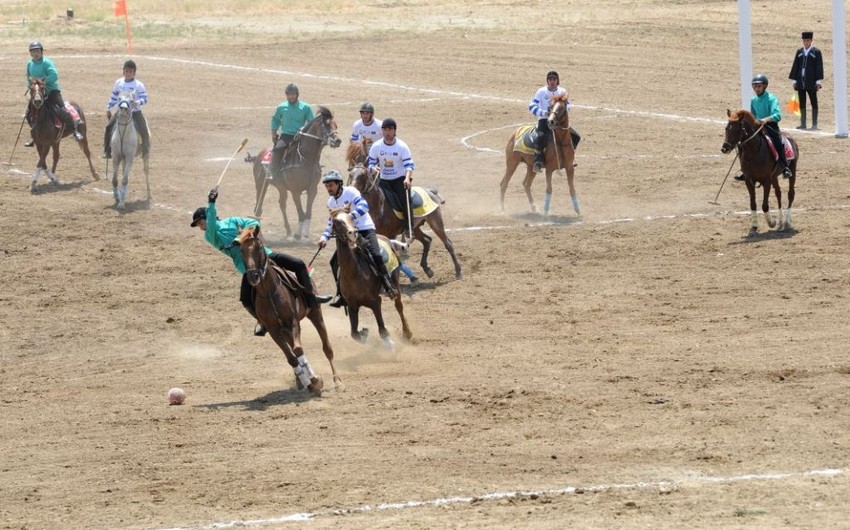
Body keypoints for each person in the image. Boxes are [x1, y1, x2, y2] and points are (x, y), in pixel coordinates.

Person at [191, 188, 330, 336]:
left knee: (299, 264)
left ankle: (311, 298)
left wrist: (243, 236)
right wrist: (211, 203)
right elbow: (211, 224)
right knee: (245, 298)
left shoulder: (232, 221)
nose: (201, 227)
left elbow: (253, 223)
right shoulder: (209, 235)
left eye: (200, 223)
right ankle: (262, 321)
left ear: (207, 217)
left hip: (266, 256)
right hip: (247, 268)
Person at [317, 170, 396, 307]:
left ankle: (388, 285)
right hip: (346, 235)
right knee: (334, 262)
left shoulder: (351, 192)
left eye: (331, 185)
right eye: (327, 186)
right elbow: (331, 222)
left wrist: (349, 217)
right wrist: (324, 237)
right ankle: (342, 294)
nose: (329, 189)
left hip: (364, 229)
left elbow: (364, 206)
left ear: (339, 184)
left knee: (376, 254)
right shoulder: (331, 202)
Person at [24, 41, 83, 147]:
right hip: (37, 93)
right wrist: (31, 88)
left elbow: (54, 75)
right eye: (33, 51)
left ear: (41, 52)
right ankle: (34, 135)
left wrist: (44, 81)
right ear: (30, 53)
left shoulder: (47, 63)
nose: (35, 53)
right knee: (29, 113)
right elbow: (28, 77)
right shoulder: (29, 64)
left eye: (37, 51)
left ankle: (75, 131)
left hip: (52, 92)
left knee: (62, 110)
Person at [735, 74, 793, 181]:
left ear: (765, 86)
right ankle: (744, 169)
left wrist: (765, 119)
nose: (757, 89)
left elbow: (777, 115)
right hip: (758, 127)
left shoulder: (772, 99)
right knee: (742, 144)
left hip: (771, 126)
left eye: (759, 86)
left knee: (778, 143)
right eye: (755, 86)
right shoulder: (753, 100)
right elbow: (753, 116)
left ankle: (785, 168)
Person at [366, 117, 415, 237]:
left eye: (390, 130)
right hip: (383, 180)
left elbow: (409, 165)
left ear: (394, 131)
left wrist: (407, 178)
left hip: (399, 180)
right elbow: (370, 163)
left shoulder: (402, 146)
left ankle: (409, 227)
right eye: (385, 130)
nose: (388, 132)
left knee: (406, 200)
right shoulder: (376, 146)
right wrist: (373, 168)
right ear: (382, 131)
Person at [527, 70, 581, 173]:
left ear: (557, 81)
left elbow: (568, 105)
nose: (552, 81)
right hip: (544, 121)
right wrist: (543, 113)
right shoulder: (541, 92)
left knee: (576, 136)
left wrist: (560, 112)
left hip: (559, 122)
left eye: (554, 79)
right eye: (550, 79)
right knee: (540, 137)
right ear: (547, 81)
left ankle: (570, 158)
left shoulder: (562, 91)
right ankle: (538, 161)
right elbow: (532, 106)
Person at [103, 59, 151, 159]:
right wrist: (109, 108)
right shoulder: (118, 83)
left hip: (135, 112)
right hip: (121, 112)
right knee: (108, 127)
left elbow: (145, 98)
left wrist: (137, 102)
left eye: (130, 72)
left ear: (134, 73)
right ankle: (107, 150)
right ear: (123, 71)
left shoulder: (138, 85)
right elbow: (114, 96)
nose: (128, 73)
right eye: (126, 71)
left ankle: (145, 151)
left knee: (144, 130)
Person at [270, 83, 314, 178]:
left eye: (293, 94)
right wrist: (273, 134)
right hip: (286, 136)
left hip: (301, 136)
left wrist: (305, 129)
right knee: (277, 150)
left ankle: (315, 169)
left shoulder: (305, 107)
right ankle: (272, 171)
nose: (291, 96)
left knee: (311, 149)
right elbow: (275, 120)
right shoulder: (281, 107)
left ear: (297, 94)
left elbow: (312, 122)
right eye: (289, 94)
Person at [788, 31, 824, 130]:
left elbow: (819, 67)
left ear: (811, 41)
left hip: (811, 82)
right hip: (800, 82)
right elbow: (795, 66)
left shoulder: (816, 52)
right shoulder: (799, 52)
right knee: (802, 102)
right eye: (804, 40)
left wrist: (818, 82)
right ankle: (803, 123)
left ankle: (814, 124)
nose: (806, 42)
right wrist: (794, 81)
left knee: (813, 102)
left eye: (808, 40)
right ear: (803, 41)